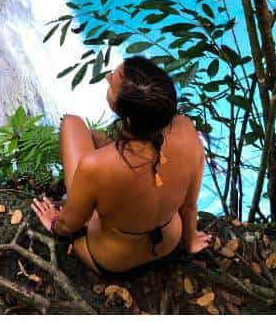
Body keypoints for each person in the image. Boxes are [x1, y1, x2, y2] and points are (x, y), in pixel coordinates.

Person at [31, 56, 212, 277]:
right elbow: (190, 205)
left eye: (112, 81)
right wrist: (191, 240)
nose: (107, 76)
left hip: (113, 261)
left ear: (126, 118)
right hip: (169, 245)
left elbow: (68, 226)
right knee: (93, 137)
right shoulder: (186, 129)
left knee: (71, 123)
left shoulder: (95, 166)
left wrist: (54, 224)